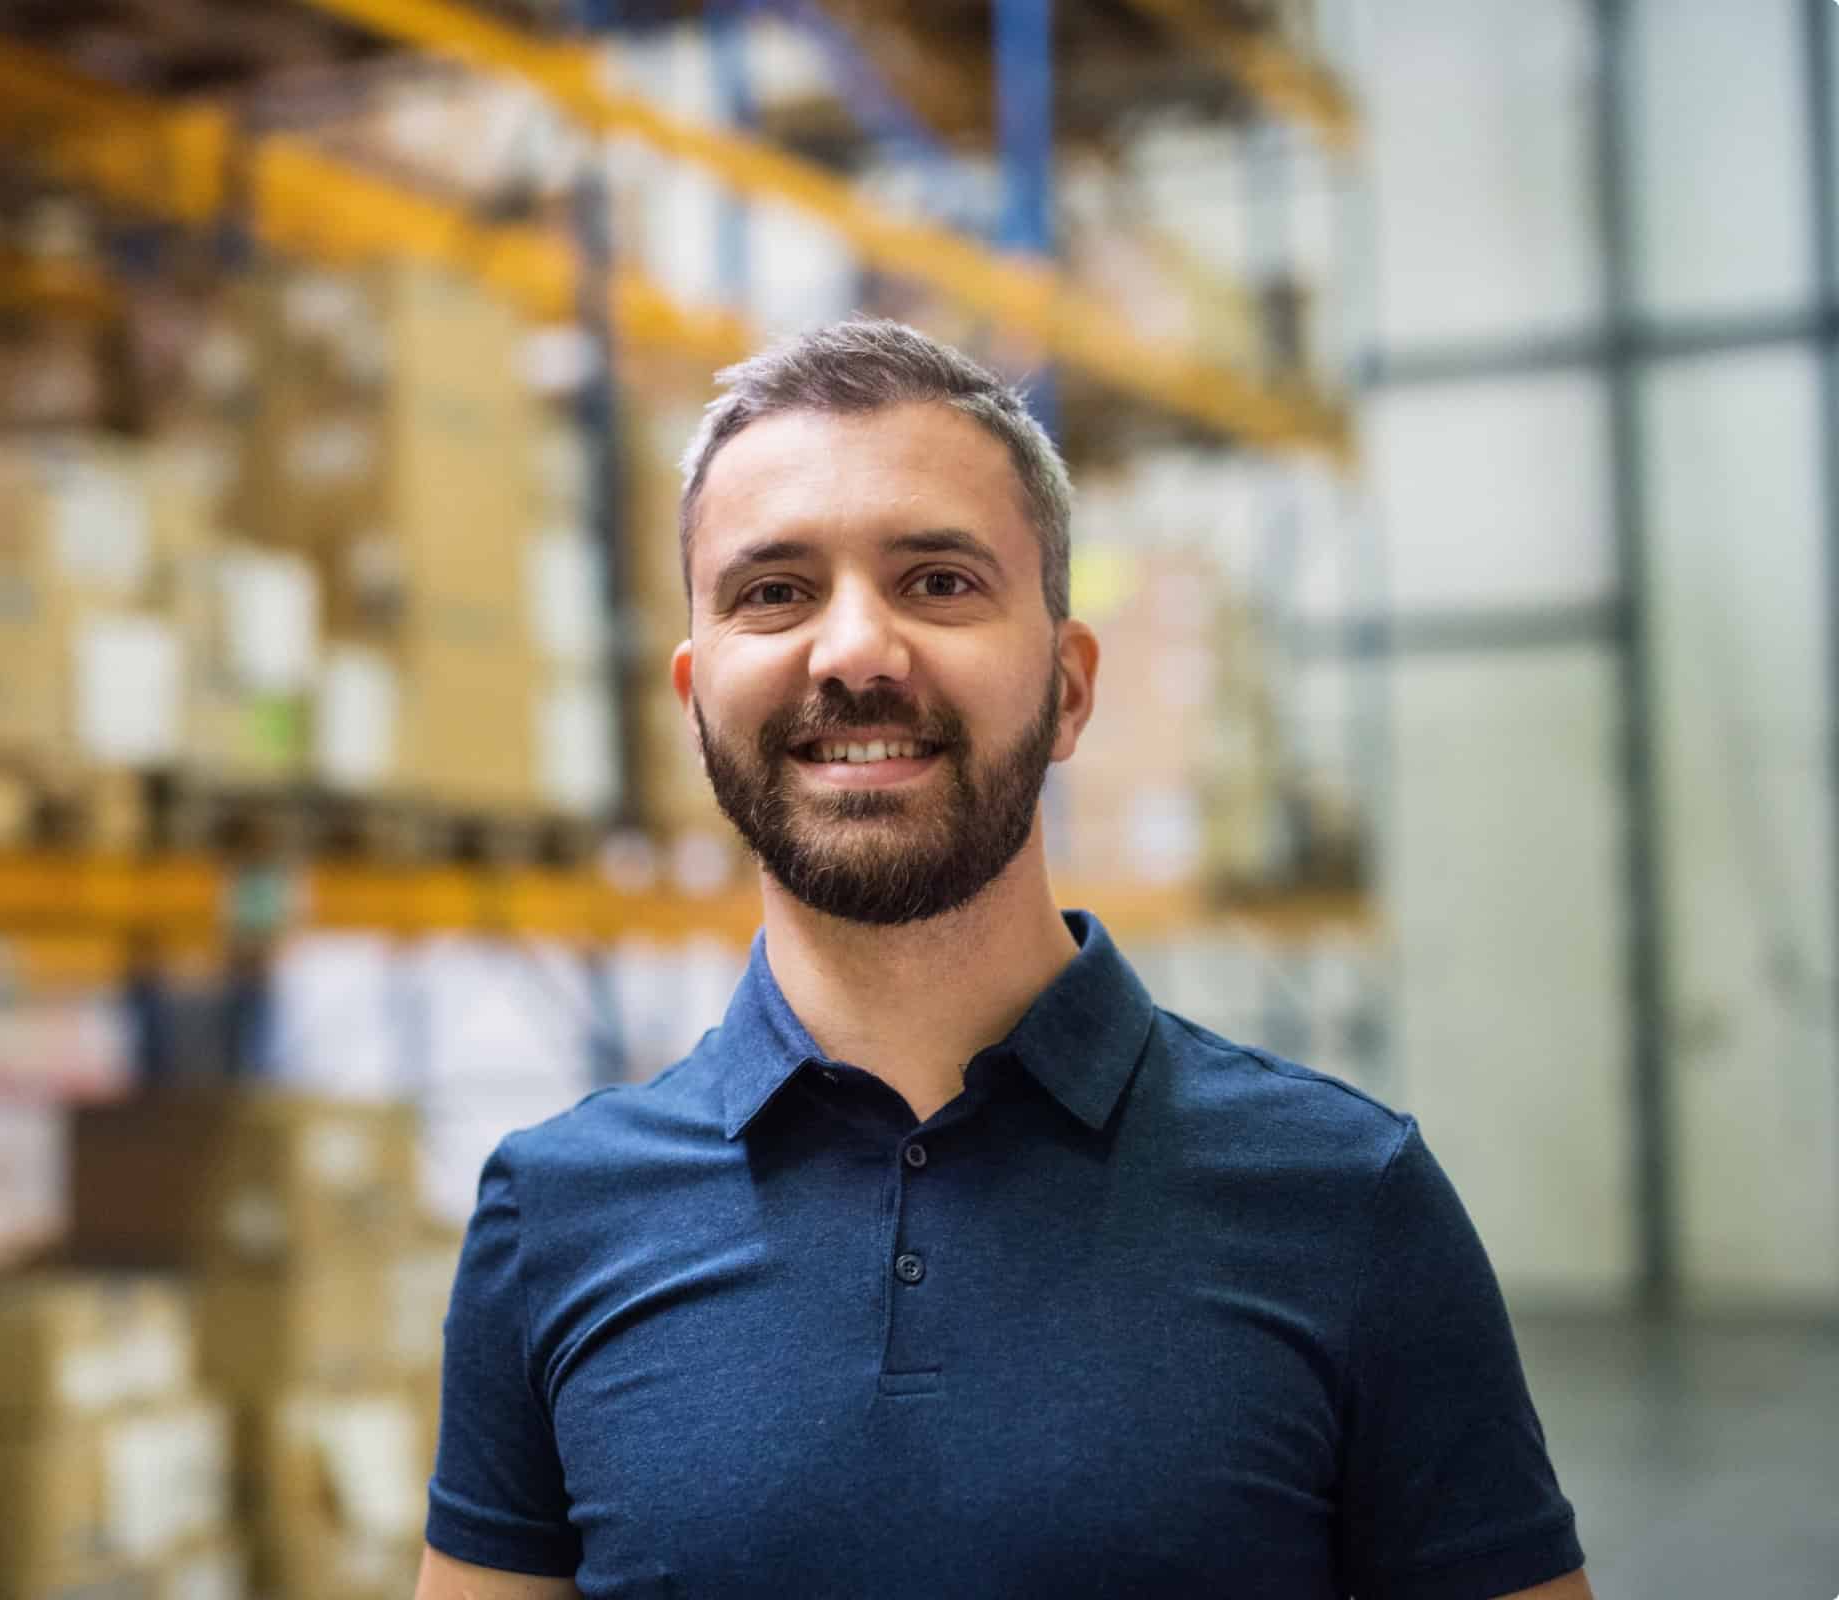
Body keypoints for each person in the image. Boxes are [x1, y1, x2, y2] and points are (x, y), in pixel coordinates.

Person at [414, 320, 1591, 1600]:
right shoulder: (554, 1217)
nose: (854, 650)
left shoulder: (1349, 1203)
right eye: (775, 591)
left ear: (1071, 688)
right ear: (695, 696)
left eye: (938, 581)